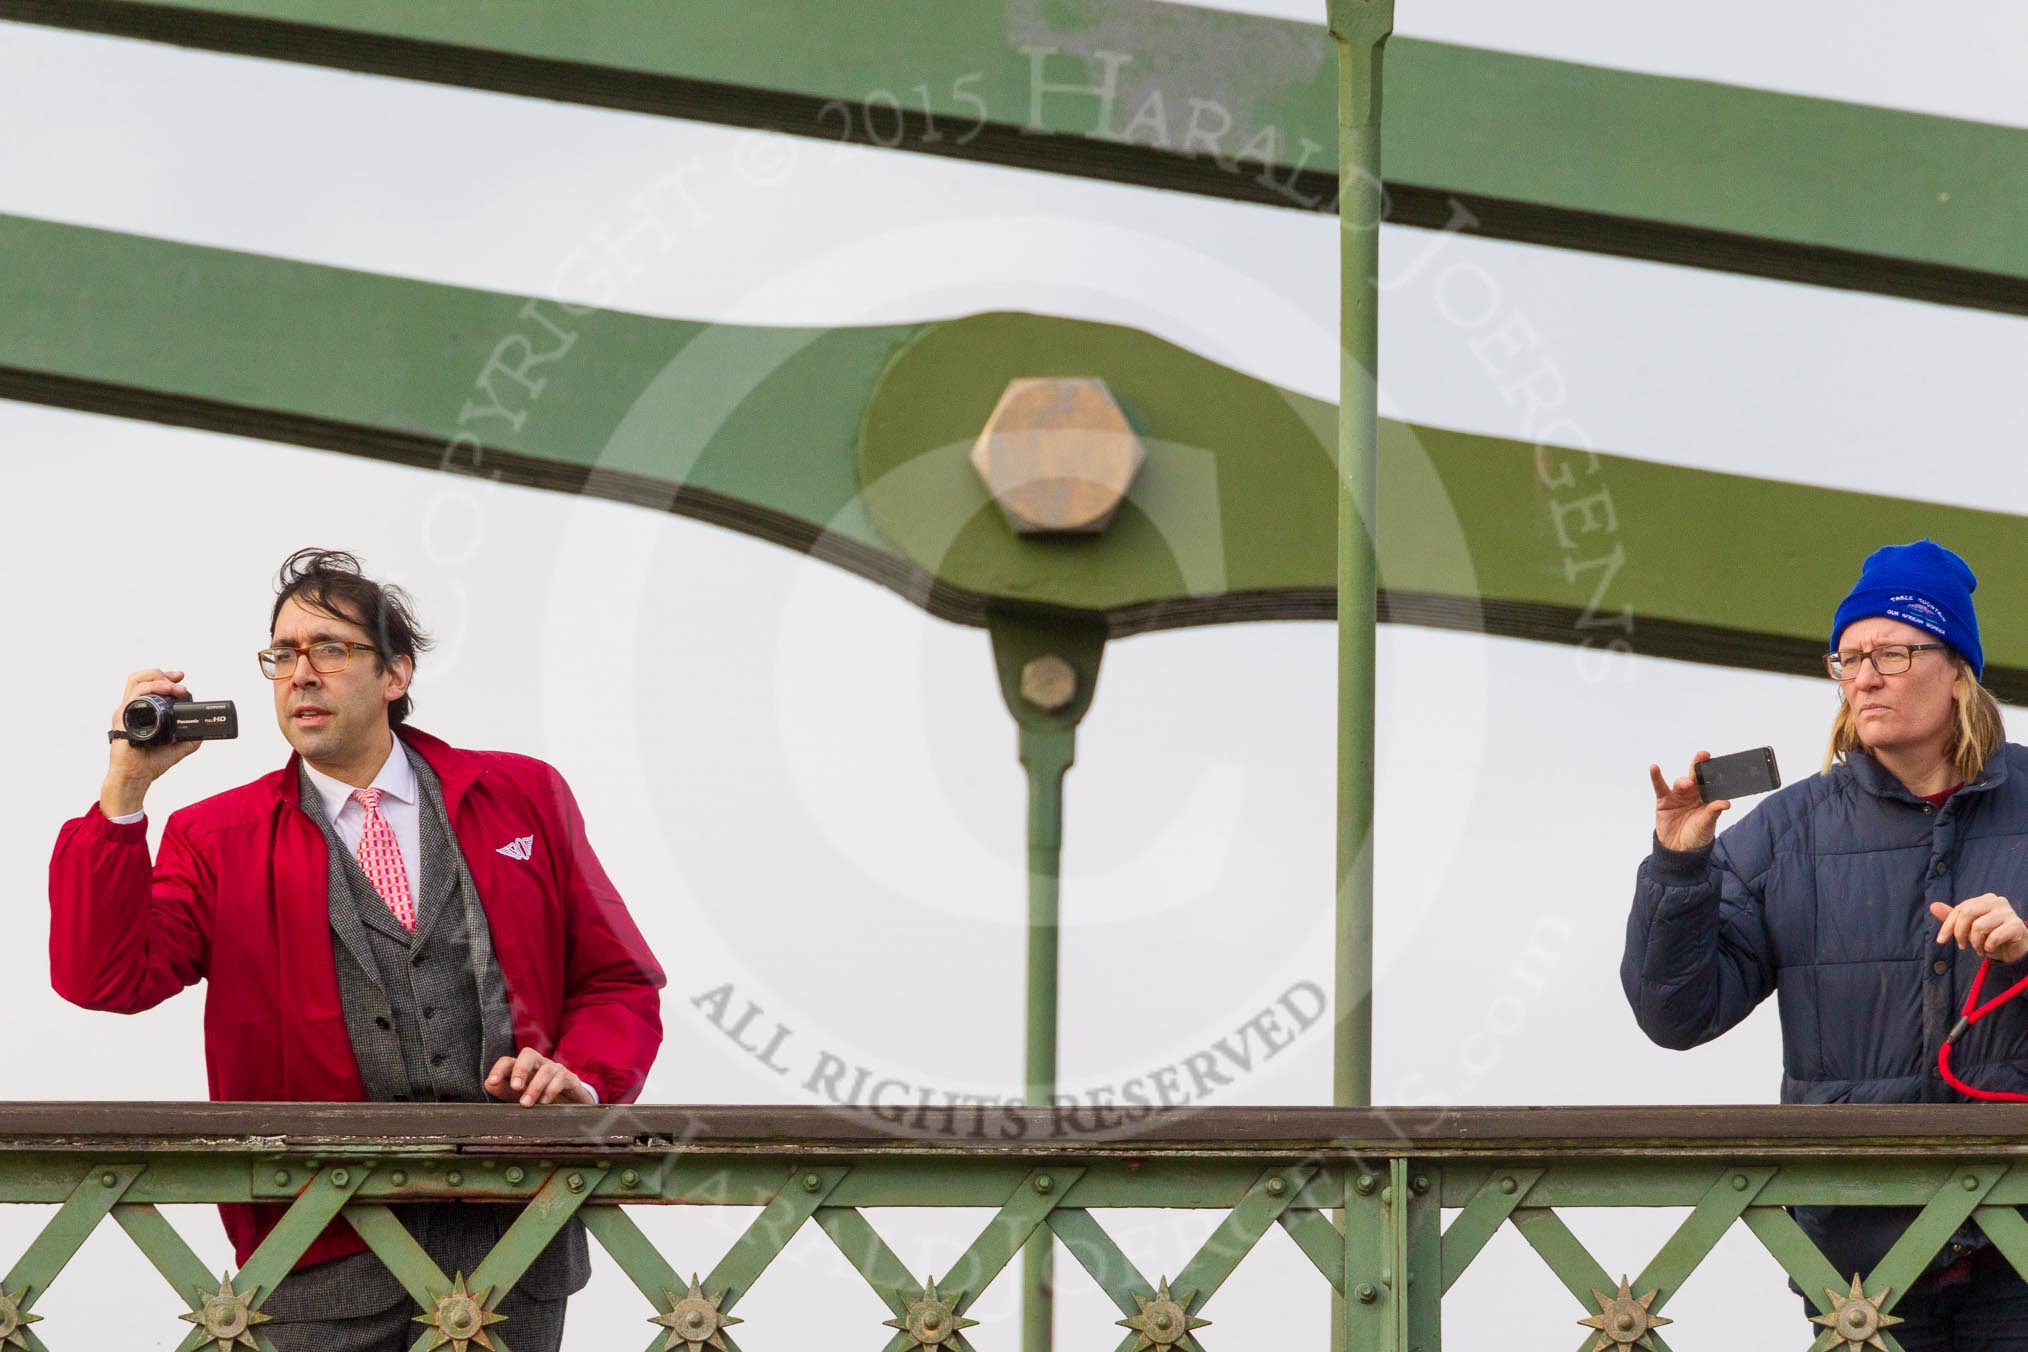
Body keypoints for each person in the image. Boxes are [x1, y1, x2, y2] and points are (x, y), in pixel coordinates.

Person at [49, 548, 666, 1351]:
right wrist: (124, 792)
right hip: (316, 1245)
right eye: (282, 654)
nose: (299, 674)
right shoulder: (217, 837)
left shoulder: (523, 795)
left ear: (396, 675)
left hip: (518, 1237)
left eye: (330, 648)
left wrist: (582, 1075)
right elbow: (105, 976)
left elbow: (617, 981)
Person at [1624, 539, 2028, 1348]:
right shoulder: (1783, 831)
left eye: (1892, 652)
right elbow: (1676, 1015)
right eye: (1847, 658)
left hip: (2018, 1243)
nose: (1865, 677)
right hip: (1857, 1260)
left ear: (1957, 669)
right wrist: (1680, 865)